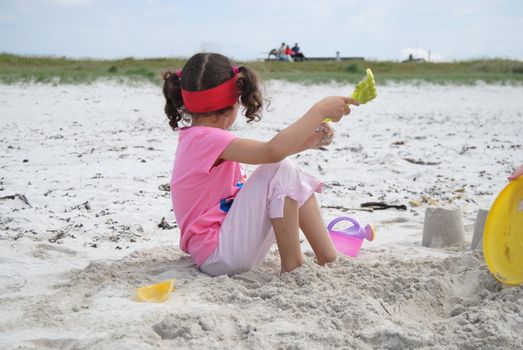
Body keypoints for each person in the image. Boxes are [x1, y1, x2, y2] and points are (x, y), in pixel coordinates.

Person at [162, 53, 358, 276]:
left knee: (289, 172)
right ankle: (293, 266)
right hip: (218, 253)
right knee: (281, 169)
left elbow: (270, 154)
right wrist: (319, 111)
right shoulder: (206, 139)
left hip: (224, 250)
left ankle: (328, 258)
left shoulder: (199, 138)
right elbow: (272, 152)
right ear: (232, 103)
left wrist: (307, 142)